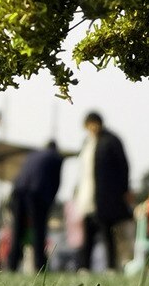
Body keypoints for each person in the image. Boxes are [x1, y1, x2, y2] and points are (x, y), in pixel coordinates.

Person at [75, 111, 133, 271]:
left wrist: (123, 189)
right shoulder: (87, 142)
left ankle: (110, 266)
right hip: (88, 194)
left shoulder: (111, 140)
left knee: (108, 232)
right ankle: (84, 266)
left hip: (107, 195)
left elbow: (123, 166)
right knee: (87, 234)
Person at [7, 141, 63, 272]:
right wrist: (49, 202)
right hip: (37, 194)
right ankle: (40, 265)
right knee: (39, 230)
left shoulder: (32, 155)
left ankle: (12, 265)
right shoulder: (56, 157)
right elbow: (56, 182)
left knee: (17, 230)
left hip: (18, 192)